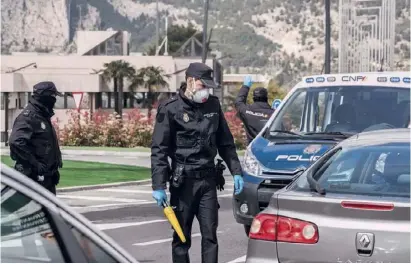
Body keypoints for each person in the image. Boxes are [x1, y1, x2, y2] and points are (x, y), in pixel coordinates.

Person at [151, 62, 244, 263]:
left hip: (208, 182)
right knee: (181, 238)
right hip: (183, 183)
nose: (206, 91)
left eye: (209, 87)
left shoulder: (213, 105)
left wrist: (236, 170)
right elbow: (159, 149)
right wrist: (158, 185)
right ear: (190, 81)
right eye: (203, 86)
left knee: (210, 236)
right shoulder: (170, 109)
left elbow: (225, 142)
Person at [9, 81, 63, 195]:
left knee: (49, 211)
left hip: (46, 178)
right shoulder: (29, 117)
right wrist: (35, 164)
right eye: (53, 96)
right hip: (32, 178)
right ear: (45, 97)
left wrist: (53, 170)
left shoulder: (42, 116)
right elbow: (16, 142)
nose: (54, 100)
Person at [234, 76, 274, 144]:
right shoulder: (274, 113)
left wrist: (245, 86)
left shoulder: (246, 111)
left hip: (252, 149)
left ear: (253, 98)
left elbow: (238, 102)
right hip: (270, 149)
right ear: (266, 98)